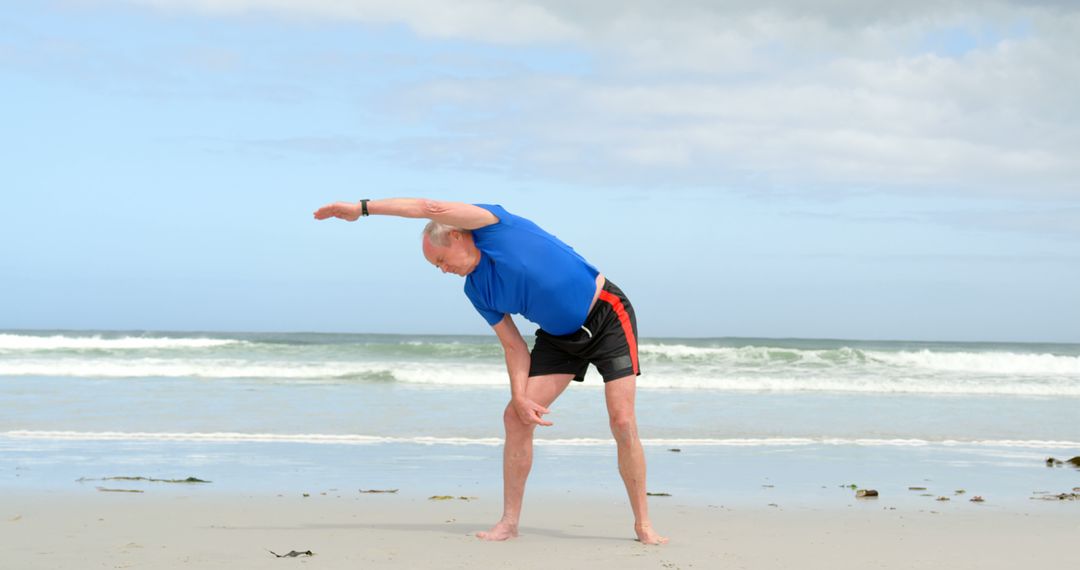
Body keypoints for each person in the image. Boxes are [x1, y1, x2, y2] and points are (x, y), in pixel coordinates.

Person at [313, 198, 668, 545]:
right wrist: (519, 397)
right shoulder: (477, 289)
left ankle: (643, 523)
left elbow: (428, 208)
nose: (443, 270)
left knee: (622, 421)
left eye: (440, 260)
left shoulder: (495, 227)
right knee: (516, 417)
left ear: (455, 236)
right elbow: (514, 346)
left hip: (606, 316)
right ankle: (509, 523)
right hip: (559, 338)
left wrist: (362, 209)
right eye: (436, 267)